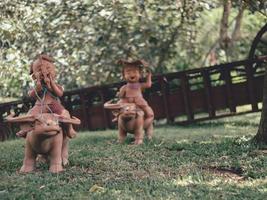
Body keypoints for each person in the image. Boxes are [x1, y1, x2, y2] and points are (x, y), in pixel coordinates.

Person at [16, 54, 77, 138]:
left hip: (54, 104)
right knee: (30, 114)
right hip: (39, 105)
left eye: (48, 68)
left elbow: (59, 94)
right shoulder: (36, 86)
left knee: (65, 113)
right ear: (34, 76)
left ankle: (69, 129)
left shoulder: (55, 85)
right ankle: (25, 130)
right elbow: (31, 95)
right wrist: (37, 87)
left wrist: (51, 84)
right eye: (39, 70)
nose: (44, 72)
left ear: (54, 72)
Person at [116, 59, 154, 130]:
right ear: (124, 76)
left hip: (140, 102)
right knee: (122, 114)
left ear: (140, 74)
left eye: (134, 71)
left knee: (150, 114)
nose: (132, 74)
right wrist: (119, 94)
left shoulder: (140, 85)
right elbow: (121, 96)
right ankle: (121, 123)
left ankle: (142, 127)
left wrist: (149, 75)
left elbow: (148, 85)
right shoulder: (124, 87)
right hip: (128, 103)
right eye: (128, 72)